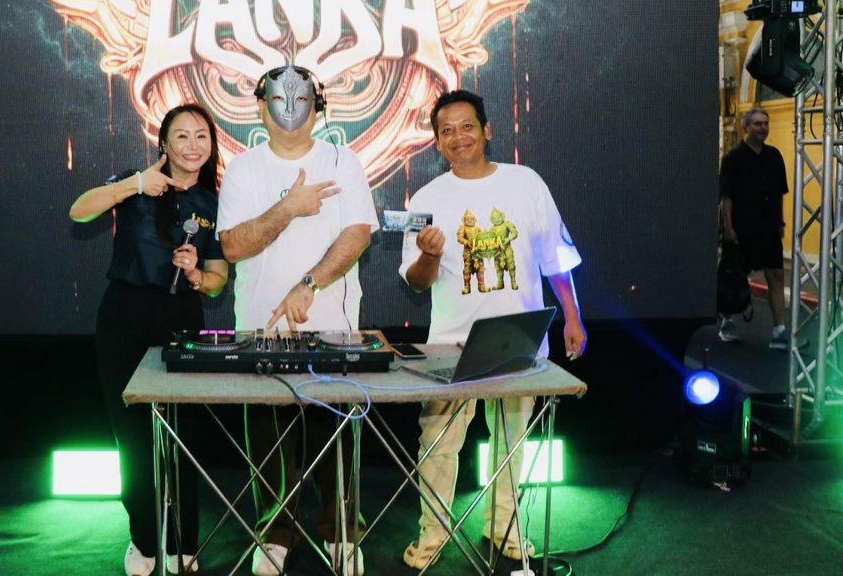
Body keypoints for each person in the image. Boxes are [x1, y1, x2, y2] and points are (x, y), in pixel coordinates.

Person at [398, 90, 586, 568]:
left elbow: (555, 257)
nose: (458, 137)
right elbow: (416, 282)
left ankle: (505, 529)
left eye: (467, 126)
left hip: (519, 339)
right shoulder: (426, 199)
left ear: (486, 130)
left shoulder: (526, 183)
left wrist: (572, 315)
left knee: (511, 443)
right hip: (450, 345)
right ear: (436, 141)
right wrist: (430, 255)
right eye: (446, 131)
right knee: (438, 444)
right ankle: (433, 533)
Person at [216, 65, 377, 576]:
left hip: (332, 327)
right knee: (267, 439)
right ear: (260, 107)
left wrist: (309, 284)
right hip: (260, 328)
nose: (289, 109)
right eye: (278, 100)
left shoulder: (343, 161)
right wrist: (289, 207)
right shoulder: (243, 170)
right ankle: (274, 533)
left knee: (336, 435)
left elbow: (357, 234)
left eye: (301, 99)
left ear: (318, 106)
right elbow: (232, 245)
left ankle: (342, 532)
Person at [69, 104, 229, 576]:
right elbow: (79, 211)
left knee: (183, 436)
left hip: (181, 321)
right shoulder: (134, 183)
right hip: (124, 317)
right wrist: (136, 184)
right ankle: (143, 539)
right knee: (133, 436)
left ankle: (184, 541)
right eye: (181, 136)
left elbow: (218, 279)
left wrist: (196, 274)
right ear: (164, 143)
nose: (192, 145)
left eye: (201, 136)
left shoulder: (214, 203)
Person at [719, 107, 793, 350]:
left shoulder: (774, 156)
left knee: (776, 275)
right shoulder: (733, 159)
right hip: (741, 228)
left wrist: (780, 222)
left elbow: (780, 193)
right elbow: (726, 197)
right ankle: (727, 322)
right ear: (746, 128)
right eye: (758, 124)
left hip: (769, 229)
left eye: (765, 124)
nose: (763, 128)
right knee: (733, 278)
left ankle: (779, 330)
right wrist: (728, 228)